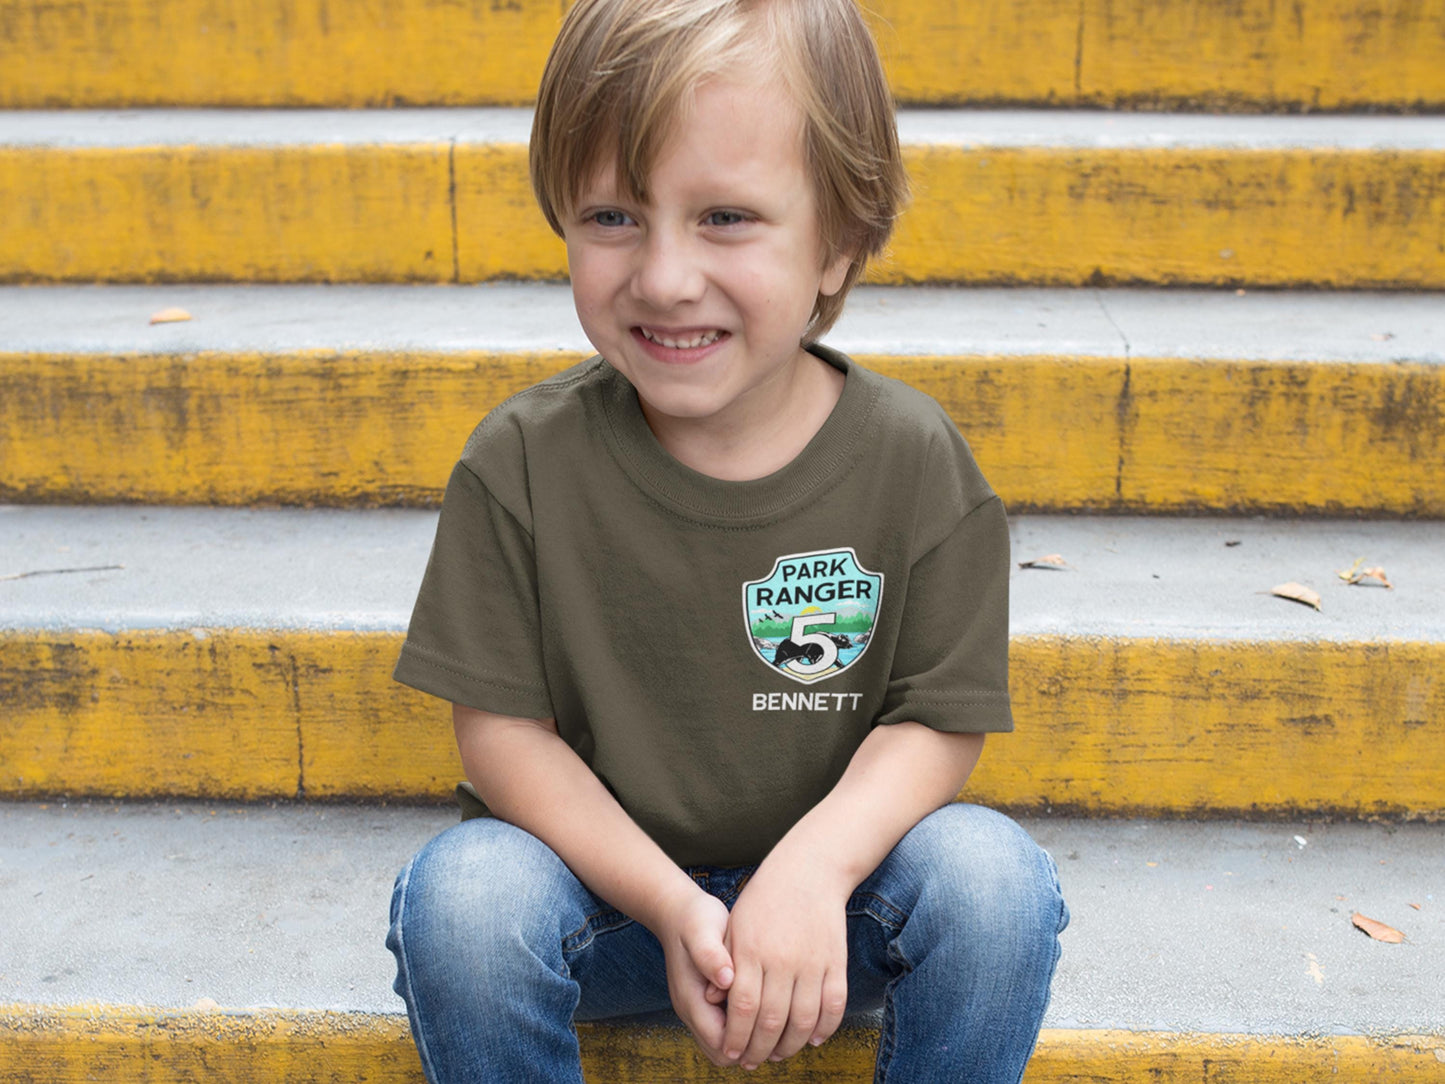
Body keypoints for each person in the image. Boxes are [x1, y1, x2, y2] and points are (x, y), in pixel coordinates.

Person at [386, 0, 1068, 1080]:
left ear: (838, 244)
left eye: (725, 219)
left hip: (837, 909)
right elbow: (501, 737)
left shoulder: (914, 460)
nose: (661, 277)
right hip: (605, 909)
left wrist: (812, 871)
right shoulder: (518, 460)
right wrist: (664, 903)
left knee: (990, 881)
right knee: (465, 899)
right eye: (611, 217)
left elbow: (937, 723)